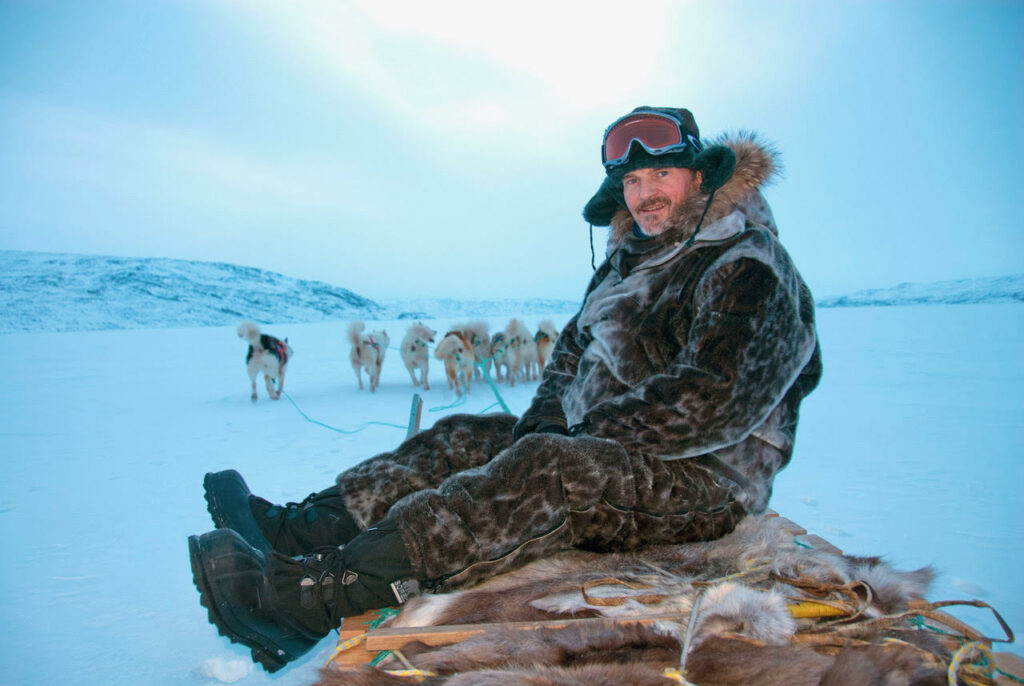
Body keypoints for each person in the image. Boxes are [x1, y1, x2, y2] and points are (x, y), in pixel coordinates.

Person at [188, 106, 822, 672]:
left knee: (549, 467)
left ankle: (317, 598)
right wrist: (543, 421)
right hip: (608, 452)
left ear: (700, 178)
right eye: (631, 181)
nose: (644, 193)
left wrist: (570, 440)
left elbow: (714, 398)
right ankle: (299, 534)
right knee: (468, 437)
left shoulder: (748, 264)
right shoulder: (627, 267)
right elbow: (569, 358)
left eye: (661, 175)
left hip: (706, 479)